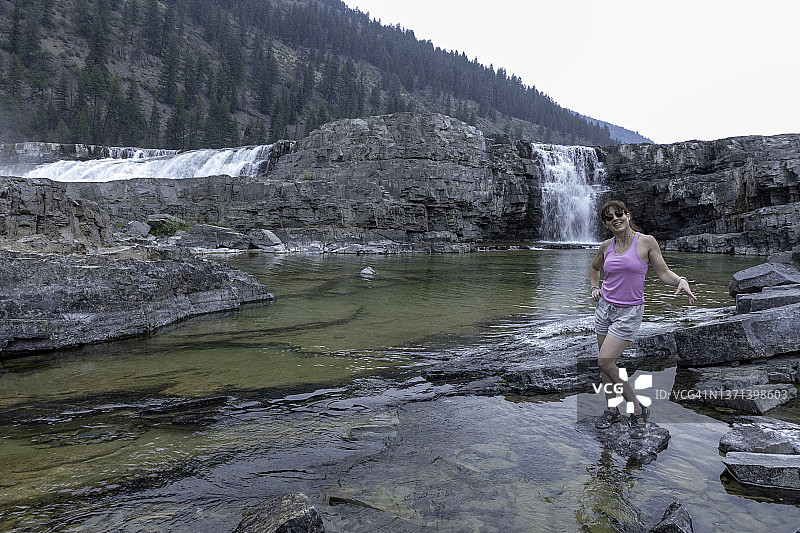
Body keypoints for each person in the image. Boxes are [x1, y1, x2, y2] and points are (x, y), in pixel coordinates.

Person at [588, 200, 696, 438]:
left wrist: (681, 281)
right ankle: (612, 409)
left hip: (629, 312)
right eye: (609, 217)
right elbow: (594, 268)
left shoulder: (646, 242)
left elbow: (663, 272)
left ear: (627, 215)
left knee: (605, 362)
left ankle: (637, 410)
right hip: (605, 308)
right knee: (606, 364)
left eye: (619, 213)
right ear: (605, 224)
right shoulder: (606, 246)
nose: (615, 219)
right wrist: (595, 287)